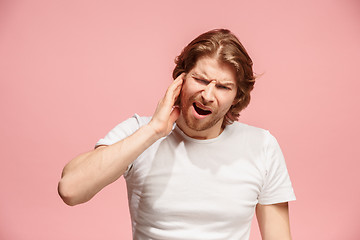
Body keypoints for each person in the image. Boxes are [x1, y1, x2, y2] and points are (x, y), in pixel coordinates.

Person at [58, 29, 296, 240]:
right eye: (200, 79)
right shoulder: (139, 131)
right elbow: (70, 190)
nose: (208, 95)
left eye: (223, 87)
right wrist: (154, 131)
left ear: (237, 96)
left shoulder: (262, 146)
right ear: (180, 78)